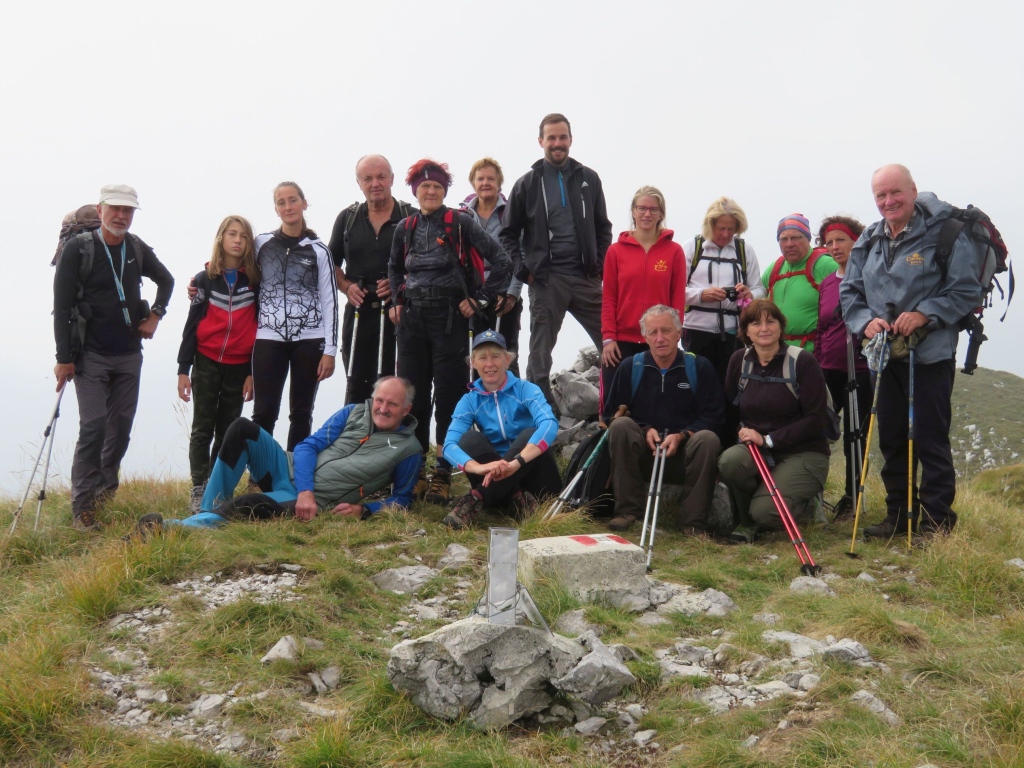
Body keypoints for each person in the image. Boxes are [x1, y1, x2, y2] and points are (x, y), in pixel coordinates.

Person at [840, 164, 982, 541]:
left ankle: (936, 523)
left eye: (895, 192)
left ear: (913, 191)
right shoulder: (870, 238)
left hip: (930, 354)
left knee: (929, 438)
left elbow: (966, 290)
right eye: (880, 195)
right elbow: (850, 291)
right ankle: (899, 517)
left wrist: (924, 313)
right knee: (891, 437)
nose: (888, 201)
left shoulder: (946, 233)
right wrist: (865, 322)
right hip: (883, 354)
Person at [138, 376, 422, 529]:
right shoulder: (353, 412)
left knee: (248, 504)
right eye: (379, 400)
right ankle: (207, 510)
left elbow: (403, 499)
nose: (383, 408)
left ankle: (173, 529)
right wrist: (305, 489)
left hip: (313, 501)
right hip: (286, 469)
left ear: (406, 409)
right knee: (242, 428)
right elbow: (308, 446)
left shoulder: (408, 450)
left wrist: (364, 510)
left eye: (392, 404)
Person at [388, 159, 512, 504]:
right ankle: (414, 472)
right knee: (412, 399)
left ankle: (443, 472)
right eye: (425, 186)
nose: (431, 191)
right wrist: (396, 302)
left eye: (437, 187)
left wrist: (480, 300)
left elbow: (503, 262)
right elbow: (394, 268)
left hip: (449, 321)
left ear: (445, 191)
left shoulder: (460, 222)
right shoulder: (405, 227)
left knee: (449, 398)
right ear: (415, 191)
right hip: (412, 321)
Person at [53, 183, 174, 531]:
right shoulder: (78, 249)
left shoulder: (135, 247)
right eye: (115, 209)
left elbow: (166, 280)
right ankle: (83, 508)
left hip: (129, 353)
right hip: (89, 354)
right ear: (101, 209)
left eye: (128, 210)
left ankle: (104, 497)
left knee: (120, 430)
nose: (121, 216)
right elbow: (62, 306)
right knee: (94, 426)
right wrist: (64, 358)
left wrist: (156, 315)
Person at [500, 113, 613, 415]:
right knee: (539, 356)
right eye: (551, 138)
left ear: (571, 139)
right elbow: (507, 234)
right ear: (541, 141)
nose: (557, 143)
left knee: (612, 341)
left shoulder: (589, 179)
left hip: (586, 278)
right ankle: (542, 415)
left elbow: (603, 227)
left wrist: (599, 265)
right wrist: (523, 270)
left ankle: (615, 405)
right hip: (547, 280)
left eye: (562, 137)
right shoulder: (527, 184)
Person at [602, 305, 724, 535]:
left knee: (708, 439)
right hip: (643, 455)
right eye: (653, 332)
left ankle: (692, 523)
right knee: (620, 426)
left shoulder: (699, 367)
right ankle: (627, 511)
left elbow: (714, 416)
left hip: (684, 456)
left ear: (679, 333)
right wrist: (644, 429)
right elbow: (611, 415)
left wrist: (682, 435)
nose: (660, 338)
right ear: (644, 336)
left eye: (666, 331)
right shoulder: (630, 367)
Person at [718, 299, 831, 536]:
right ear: (746, 330)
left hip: (804, 452)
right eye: (756, 323)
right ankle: (748, 520)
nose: (764, 329)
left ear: (781, 326)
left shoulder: (802, 361)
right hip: (757, 449)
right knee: (729, 461)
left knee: (766, 513)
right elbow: (731, 408)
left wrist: (768, 440)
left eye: (771, 322)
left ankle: (807, 506)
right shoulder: (739, 360)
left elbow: (816, 420)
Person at [177, 216, 260, 512]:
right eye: (232, 234)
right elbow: (192, 324)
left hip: (239, 366)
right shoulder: (204, 279)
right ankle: (198, 488)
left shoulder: (255, 281)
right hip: (206, 361)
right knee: (202, 428)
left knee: (226, 431)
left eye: (244, 236)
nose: (237, 240)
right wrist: (183, 369)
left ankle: (216, 489)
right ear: (221, 238)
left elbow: (260, 328)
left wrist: (252, 372)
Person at [441, 330, 561, 529]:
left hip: (536, 479)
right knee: (469, 439)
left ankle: (476, 498)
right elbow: (449, 446)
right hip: (492, 477)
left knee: (530, 433)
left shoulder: (526, 389)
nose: (489, 364)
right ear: (473, 363)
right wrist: (479, 468)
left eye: (496, 356)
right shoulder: (469, 400)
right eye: (482, 358)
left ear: (507, 360)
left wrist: (516, 463)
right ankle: (516, 497)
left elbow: (549, 423)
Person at [252, 182, 339, 450]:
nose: (288, 206)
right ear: (276, 209)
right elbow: (233, 263)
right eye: (282, 202)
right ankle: (262, 469)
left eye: (293, 200)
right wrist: (204, 277)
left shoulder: (319, 250)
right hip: (268, 338)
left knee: (301, 413)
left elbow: (330, 301)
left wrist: (330, 350)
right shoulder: (261, 244)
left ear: (304, 203)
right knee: (264, 412)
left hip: (310, 340)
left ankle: (293, 469)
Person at [329, 155, 415, 405]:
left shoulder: (411, 216)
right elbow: (331, 264)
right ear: (359, 183)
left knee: (399, 385)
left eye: (381, 177)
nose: (375, 183)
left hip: (401, 311)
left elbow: (429, 261)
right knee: (356, 384)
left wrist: (401, 282)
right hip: (359, 312)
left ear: (392, 179)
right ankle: (356, 429)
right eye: (367, 178)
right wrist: (346, 287)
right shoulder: (347, 218)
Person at [600, 186, 687, 399]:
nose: (647, 214)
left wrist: (674, 335)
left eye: (653, 209)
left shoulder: (674, 251)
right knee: (615, 404)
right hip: (621, 341)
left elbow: (677, 299)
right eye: (642, 208)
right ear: (633, 211)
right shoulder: (615, 251)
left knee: (656, 402)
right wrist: (608, 338)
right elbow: (609, 298)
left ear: (661, 214)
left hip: (658, 339)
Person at [813, 215, 870, 519]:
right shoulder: (826, 284)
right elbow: (821, 329)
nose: (834, 247)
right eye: (829, 242)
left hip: (860, 370)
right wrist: (817, 362)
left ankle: (852, 499)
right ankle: (811, 496)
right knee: (817, 432)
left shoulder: (869, 278)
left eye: (841, 240)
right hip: (828, 370)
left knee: (855, 437)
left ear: (856, 241)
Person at [683, 197, 764, 385]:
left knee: (729, 385)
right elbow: (674, 291)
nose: (726, 234)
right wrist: (702, 295)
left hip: (732, 333)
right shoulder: (692, 248)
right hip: (695, 331)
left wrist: (750, 294)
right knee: (697, 384)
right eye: (721, 228)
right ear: (710, 225)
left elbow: (759, 289)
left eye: (731, 229)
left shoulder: (744, 250)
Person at [461, 157, 524, 376]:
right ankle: (477, 395)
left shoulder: (511, 213)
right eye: (480, 179)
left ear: (499, 183)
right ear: (473, 183)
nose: (485, 183)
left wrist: (513, 294)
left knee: (506, 354)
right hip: (473, 295)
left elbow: (521, 255)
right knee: (474, 355)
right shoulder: (463, 215)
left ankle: (511, 396)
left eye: (491, 179)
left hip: (504, 295)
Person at [761, 214, 838, 352]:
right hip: (778, 352)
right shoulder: (774, 269)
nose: (789, 244)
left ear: (808, 239)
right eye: (783, 239)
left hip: (814, 352)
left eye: (795, 237)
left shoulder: (825, 265)